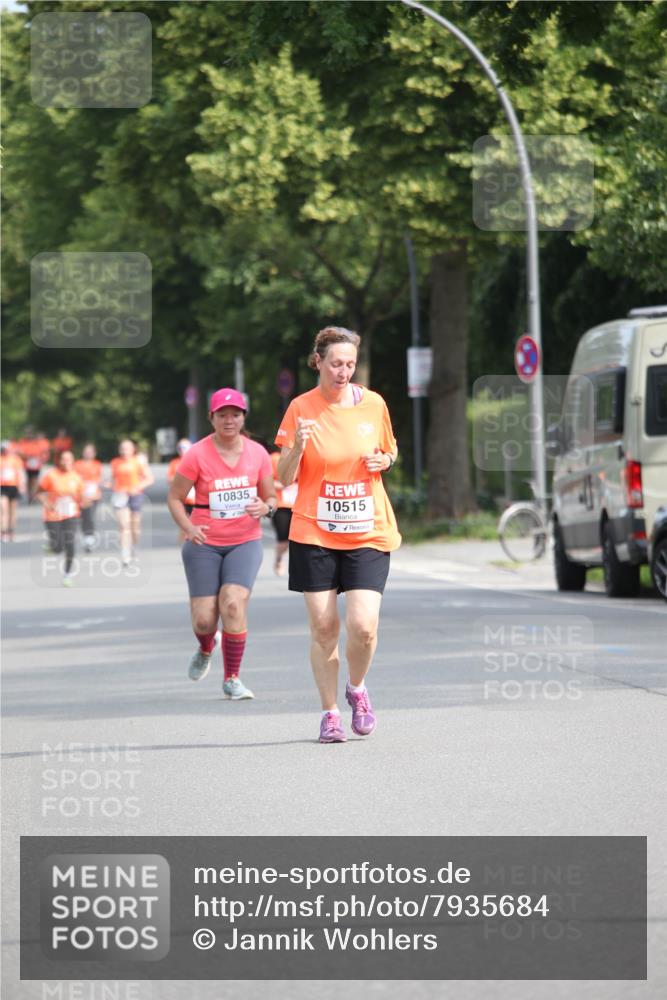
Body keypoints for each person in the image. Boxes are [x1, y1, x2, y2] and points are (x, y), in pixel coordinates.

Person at [275, 326, 401, 744]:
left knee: (363, 626)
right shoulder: (300, 408)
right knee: (325, 627)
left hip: (367, 527)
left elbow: (389, 449)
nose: (343, 371)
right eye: (336, 364)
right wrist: (296, 448)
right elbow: (283, 476)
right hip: (314, 529)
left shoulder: (374, 404)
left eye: (350, 364)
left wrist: (384, 459)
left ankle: (358, 689)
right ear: (318, 362)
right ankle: (330, 713)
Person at [167, 388, 276, 700]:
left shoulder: (257, 454)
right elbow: (175, 498)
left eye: (236, 414)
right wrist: (188, 526)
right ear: (211, 418)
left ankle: (232, 678)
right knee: (204, 619)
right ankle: (205, 647)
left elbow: (271, 497)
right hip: (204, 541)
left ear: (243, 418)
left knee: (232, 602)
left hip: (245, 541)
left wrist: (265, 508)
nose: (230, 420)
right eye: (223, 414)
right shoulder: (197, 455)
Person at [35, 450, 86, 587]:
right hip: (52, 515)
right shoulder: (51, 476)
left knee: (70, 544)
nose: (66, 462)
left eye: (69, 459)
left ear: (73, 461)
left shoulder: (77, 477)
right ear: (59, 461)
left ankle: (67, 574)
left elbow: (82, 498)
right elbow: (39, 492)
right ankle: (53, 547)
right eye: (63, 459)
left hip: (71, 514)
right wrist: (47, 503)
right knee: (58, 547)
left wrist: (84, 502)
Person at [106, 439, 154, 566]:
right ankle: (125, 553)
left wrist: (137, 487)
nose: (124, 451)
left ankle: (133, 545)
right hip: (120, 495)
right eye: (122, 448)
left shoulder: (138, 462)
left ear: (133, 450)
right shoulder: (115, 462)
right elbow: (113, 481)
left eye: (127, 448)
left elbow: (149, 479)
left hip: (135, 495)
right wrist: (107, 485)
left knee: (135, 527)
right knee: (123, 526)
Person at [270, 447, 298, 576]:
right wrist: (282, 484)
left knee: (298, 539)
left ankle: (297, 567)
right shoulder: (275, 458)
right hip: (281, 504)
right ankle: (279, 559)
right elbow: (266, 480)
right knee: (283, 539)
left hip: (300, 505)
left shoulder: (305, 455)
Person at [74, 443, 104, 552]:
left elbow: (99, 479)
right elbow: (74, 478)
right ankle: (86, 535)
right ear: (83, 453)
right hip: (81, 494)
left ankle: (89, 537)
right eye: (86, 452)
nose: (88, 454)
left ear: (94, 454)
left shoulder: (97, 464)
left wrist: (100, 484)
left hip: (94, 495)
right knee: (83, 517)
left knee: (90, 516)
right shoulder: (77, 464)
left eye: (90, 452)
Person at [167, 439, 195, 542]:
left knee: (195, 519)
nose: (182, 450)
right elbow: (169, 479)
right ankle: (184, 542)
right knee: (184, 520)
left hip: (195, 497)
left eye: (185, 447)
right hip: (181, 497)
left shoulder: (195, 460)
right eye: (180, 448)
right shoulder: (174, 463)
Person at [1, 441, 26, 542]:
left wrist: (22, 485)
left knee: (12, 511)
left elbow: (20, 473)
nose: (5, 451)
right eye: (3, 449)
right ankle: (3, 531)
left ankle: (11, 531)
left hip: (13, 487)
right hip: (2, 487)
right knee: (3, 509)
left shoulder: (16, 460)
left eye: (6, 449)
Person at [17, 427, 50, 501]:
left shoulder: (37, 441)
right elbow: (20, 452)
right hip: (27, 463)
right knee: (29, 479)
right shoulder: (23, 441)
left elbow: (43, 451)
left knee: (35, 479)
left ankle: (34, 495)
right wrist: (26, 456)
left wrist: (41, 458)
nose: (29, 435)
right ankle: (29, 495)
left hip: (36, 464)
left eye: (30, 433)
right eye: (27, 433)